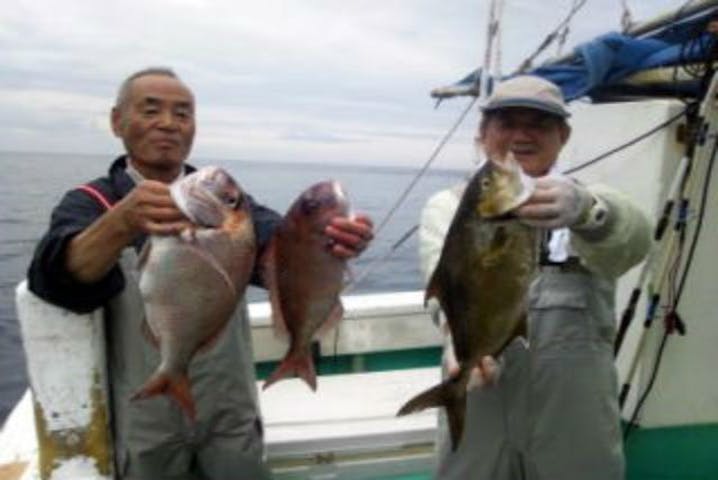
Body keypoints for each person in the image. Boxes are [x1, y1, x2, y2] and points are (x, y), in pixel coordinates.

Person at [27, 67, 374, 480]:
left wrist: (328, 243)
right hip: (144, 413)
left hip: (229, 408)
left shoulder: (228, 204)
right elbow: (55, 281)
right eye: (151, 110)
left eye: (183, 113)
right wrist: (120, 224)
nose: (168, 123)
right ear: (117, 121)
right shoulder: (93, 202)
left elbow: (279, 252)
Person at [419, 75, 652, 479]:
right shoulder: (449, 206)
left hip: (573, 414)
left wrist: (587, 212)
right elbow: (448, 289)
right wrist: (454, 344)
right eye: (507, 122)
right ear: (482, 133)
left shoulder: (593, 201)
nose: (521, 135)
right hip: (480, 399)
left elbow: (633, 240)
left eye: (539, 124)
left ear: (563, 135)